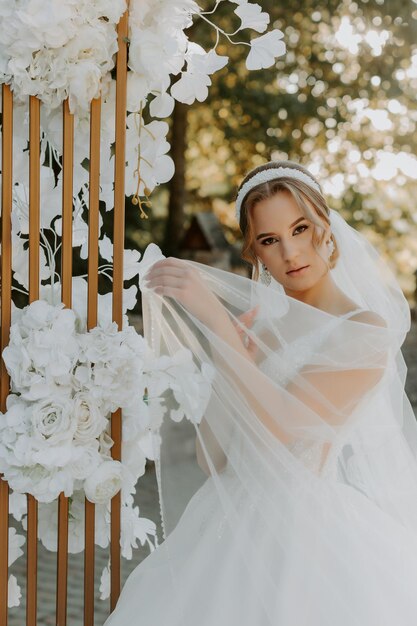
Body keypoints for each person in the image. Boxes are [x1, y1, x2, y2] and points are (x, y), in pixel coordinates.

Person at [104, 160, 417, 626]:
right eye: (270, 240)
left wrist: (218, 325)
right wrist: (228, 358)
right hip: (223, 525)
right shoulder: (263, 329)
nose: (290, 252)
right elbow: (213, 459)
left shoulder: (365, 332)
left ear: (325, 227)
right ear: (256, 253)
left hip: (304, 537)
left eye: (300, 228)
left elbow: (289, 427)